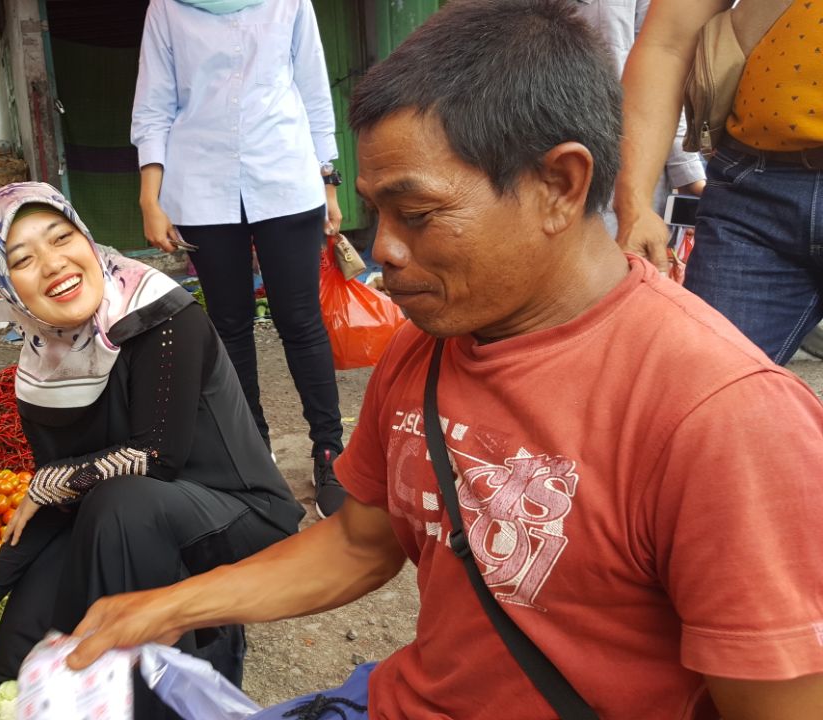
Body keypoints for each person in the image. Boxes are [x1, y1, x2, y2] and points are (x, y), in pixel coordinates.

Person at [64, 1, 823, 717]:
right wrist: (168, 604)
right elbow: (363, 542)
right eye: (377, 212)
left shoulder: (725, 418)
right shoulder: (427, 344)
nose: (383, 250)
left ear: (560, 184)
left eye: (418, 214)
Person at [0, 182, 304, 720]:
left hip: (237, 513)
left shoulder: (159, 312)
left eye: (61, 237)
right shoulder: (41, 365)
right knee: (21, 649)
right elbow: (60, 492)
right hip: (127, 516)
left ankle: (172, 693)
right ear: (7, 286)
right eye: (24, 259)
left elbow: (154, 457)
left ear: (86, 238)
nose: (53, 265)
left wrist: (50, 483)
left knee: (124, 504)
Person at [131, 0, 347, 517]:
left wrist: (329, 184)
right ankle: (253, 450)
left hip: (286, 176)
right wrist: (149, 196)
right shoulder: (167, 8)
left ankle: (330, 451)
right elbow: (155, 103)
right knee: (228, 325)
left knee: (301, 320)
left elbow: (314, 90)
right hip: (202, 183)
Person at [616, 0, 822, 364]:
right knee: (684, 389)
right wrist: (633, 201)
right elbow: (667, 42)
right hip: (753, 193)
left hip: (750, 188)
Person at [572, 0, 707, 238]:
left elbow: (665, 69)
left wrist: (688, 172)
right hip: (529, 152)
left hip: (626, 161)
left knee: (627, 263)